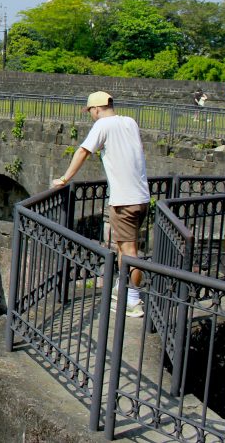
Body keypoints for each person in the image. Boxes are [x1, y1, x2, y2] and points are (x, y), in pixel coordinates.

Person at [52, 91, 149, 317]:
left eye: (90, 112)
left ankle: (133, 300)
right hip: (142, 197)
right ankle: (123, 289)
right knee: (128, 248)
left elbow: (83, 151)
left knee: (129, 251)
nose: (91, 116)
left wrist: (65, 179)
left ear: (96, 109)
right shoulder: (130, 122)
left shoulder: (102, 126)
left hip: (124, 201)